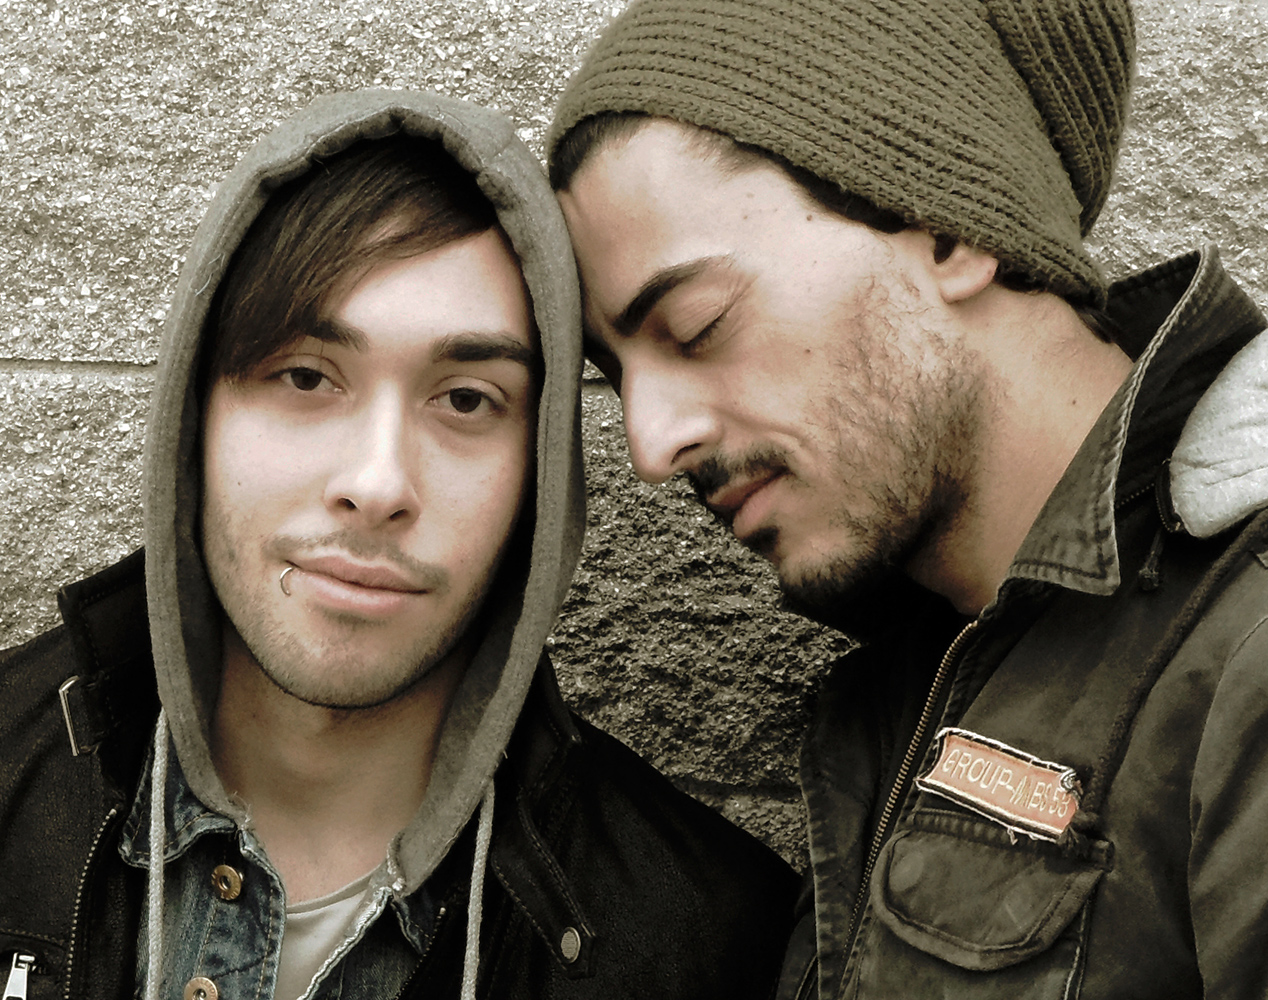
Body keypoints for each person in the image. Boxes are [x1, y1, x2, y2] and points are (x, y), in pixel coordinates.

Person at [545, 1, 1268, 997]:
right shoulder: (926, 662)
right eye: (616, 376)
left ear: (952, 231)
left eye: (696, 326)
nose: (651, 445)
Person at [0, 89, 799, 1000]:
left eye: (465, 399)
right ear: (196, 422)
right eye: (306, 377)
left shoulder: (716, 948)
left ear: (542, 472)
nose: (377, 484)